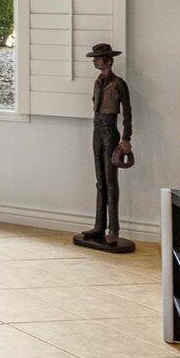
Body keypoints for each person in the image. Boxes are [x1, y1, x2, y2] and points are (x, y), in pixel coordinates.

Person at [78, 42, 136, 253]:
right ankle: (99, 226)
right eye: (94, 58)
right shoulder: (97, 82)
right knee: (100, 181)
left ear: (108, 61)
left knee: (111, 181)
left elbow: (127, 113)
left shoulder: (119, 84)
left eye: (97, 58)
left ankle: (114, 228)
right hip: (97, 130)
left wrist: (126, 138)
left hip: (110, 131)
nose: (94, 61)